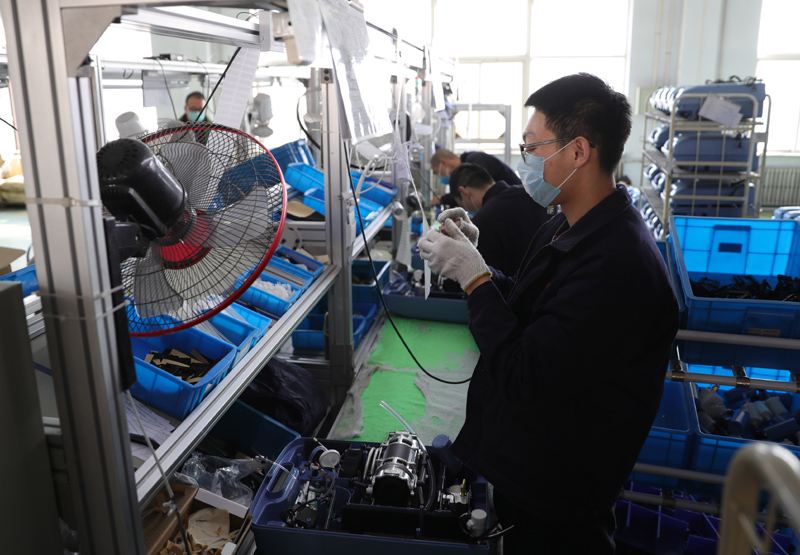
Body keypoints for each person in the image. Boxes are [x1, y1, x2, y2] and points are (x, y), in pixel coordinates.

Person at [418, 73, 679, 554]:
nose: (525, 161)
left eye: (533, 148)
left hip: (560, 490)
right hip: (528, 466)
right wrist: (478, 263)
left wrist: (473, 280)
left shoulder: (616, 264)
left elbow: (524, 374)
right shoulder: (565, 224)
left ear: (578, 152)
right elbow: (536, 306)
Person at [445, 163, 549, 276]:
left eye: (462, 204)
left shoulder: (483, 221)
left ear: (465, 193)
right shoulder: (530, 194)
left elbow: (484, 276)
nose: (466, 209)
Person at [430, 148, 520, 207]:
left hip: (515, 202)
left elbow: (474, 192)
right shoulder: (470, 159)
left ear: (444, 163)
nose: (439, 176)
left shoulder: (475, 163)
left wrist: (443, 199)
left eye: (437, 172)